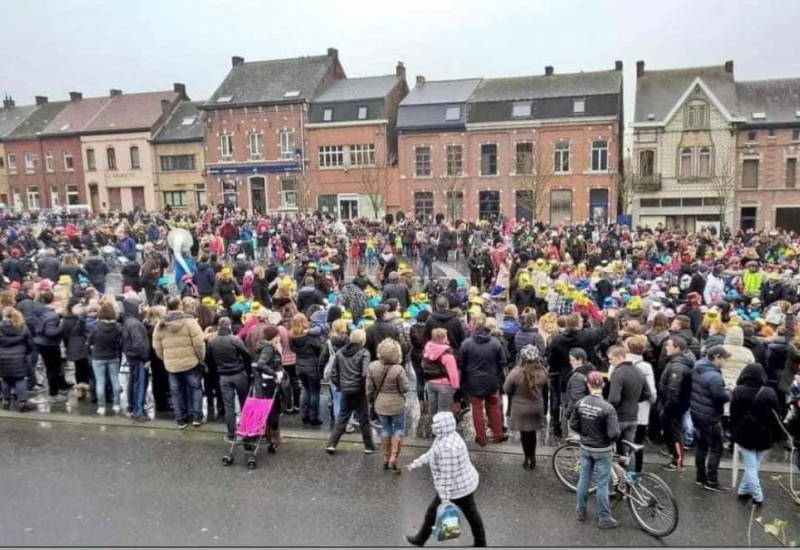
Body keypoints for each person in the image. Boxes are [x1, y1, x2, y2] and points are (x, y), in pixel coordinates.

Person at [405, 411, 486, 547]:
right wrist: (416, 463)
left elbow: (447, 477)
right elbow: (432, 453)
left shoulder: (447, 449)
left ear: (442, 427)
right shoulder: (447, 436)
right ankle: (480, 543)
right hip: (463, 484)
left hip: (457, 488)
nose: (431, 426)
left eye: (435, 425)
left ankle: (420, 540)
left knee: (433, 512)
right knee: (472, 514)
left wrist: (445, 501)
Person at [570, 371, 621, 530]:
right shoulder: (608, 408)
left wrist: (585, 434)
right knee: (602, 484)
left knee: (584, 478)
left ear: (588, 385)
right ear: (603, 385)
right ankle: (604, 518)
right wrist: (610, 437)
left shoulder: (581, 403)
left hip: (585, 447)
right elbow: (613, 434)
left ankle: (580, 511)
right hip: (603, 450)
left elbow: (573, 424)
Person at [153, 296, 206, 429]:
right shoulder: (190, 322)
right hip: (190, 361)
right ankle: (196, 417)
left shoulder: (160, 325)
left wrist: (165, 358)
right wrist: (200, 358)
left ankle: (181, 419)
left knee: (176, 392)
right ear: (180, 306)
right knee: (195, 388)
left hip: (171, 365)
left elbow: (157, 346)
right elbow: (199, 343)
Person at [730, 363, 779, 506]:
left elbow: (734, 415)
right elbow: (775, 416)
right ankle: (743, 491)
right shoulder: (769, 392)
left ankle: (757, 496)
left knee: (751, 465)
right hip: (765, 434)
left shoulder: (738, 391)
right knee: (755, 464)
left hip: (745, 433)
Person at [325, 329, 376, 455]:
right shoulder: (364, 353)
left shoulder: (340, 352)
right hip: (359, 390)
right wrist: (366, 388)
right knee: (364, 418)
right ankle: (369, 446)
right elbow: (365, 374)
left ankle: (331, 444)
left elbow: (333, 373)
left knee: (343, 417)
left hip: (345, 390)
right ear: (363, 340)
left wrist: (340, 386)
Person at [459, 314, 507, 446]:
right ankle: (498, 434)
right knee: (494, 407)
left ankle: (481, 437)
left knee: (477, 409)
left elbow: (461, 363)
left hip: (473, 382)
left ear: (473, 325)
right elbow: (502, 361)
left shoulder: (467, 343)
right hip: (491, 381)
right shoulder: (495, 342)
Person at [690, 345, 731, 492]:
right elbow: (720, 397)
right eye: (724, 358)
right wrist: (729, 392)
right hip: (710, 416)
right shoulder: (715, 376)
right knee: (716, 448)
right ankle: (712, 481)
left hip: (697, 413)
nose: (725, 361)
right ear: (716, 358)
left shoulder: (697, 367)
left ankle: (700, 477)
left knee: (701, 446)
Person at [207, 317, 252, 442]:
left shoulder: (212, 341)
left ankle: (231, 434)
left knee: (229, 406)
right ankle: (246, 430)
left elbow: (209, 359)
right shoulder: (235, 340)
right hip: (239, 373)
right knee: (244, 403)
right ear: (229, 326)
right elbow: (246, 355)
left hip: (224, 376)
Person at [503, 344, 548, 469]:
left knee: (524, 434)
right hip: (536, 407)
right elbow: (546, 391)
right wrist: (545, 410)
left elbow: (506, 389)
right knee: (532, 433)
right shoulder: (543, 372)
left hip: (520, 409)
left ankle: (527, 458)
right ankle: (533, 457)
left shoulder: (515, 373)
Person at [367, 338, 408, 471]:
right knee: (399, 428)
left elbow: (369, 388)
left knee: (385, 429)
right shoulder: (398, 369)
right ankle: (394, 457)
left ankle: (385, 457)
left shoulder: (372, 366)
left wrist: (370, 400)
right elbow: (404, 388)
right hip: (397, 403)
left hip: (380, 403)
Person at [606, 344, 651, 457]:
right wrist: (634, 400)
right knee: (627, 451)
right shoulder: (639, 371)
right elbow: (648, 393)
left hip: (619, 417)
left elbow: (614, 399)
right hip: (633, 417)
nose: (610, 362)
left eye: (612, 358)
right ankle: (627, 473)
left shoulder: (618, 373)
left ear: (620, 357)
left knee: (607, 448)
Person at [624, 335, 657, 473]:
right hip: (641, 413)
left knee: (621, 444)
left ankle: (620, 476)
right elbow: (652, 394)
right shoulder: (646, 367)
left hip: (623, 412)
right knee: (637, 444)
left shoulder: (619, 364)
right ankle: (636, 473)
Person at [289, 313, 324, 426]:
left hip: (299, 365)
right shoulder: (310, 336)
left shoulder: (292, 336)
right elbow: (320, 348)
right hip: (312, 365)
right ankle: (314, 417)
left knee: (306, 390)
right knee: (314, 392)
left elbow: (292, 349)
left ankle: (304, 415)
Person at [88, 303, 123, 416]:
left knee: (100, 382)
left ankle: (101, 407)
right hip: (113, 356)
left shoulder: (95, 327)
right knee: (115, 381)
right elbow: (120, 342)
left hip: (98, 357)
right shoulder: (118, 327)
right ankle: (116, 404)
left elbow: (90, 342)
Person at [254, 325, 285, 451]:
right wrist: (275, 374)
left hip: (267, 382)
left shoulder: (268, 346)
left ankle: (270, 435)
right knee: (274, 409)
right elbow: (261, 364)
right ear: (273, 336)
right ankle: (274, 436)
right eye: (277, 335)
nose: (279, 337)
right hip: (269, 383)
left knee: (272, 409)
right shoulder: (269, 348)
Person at [121, 296, 151, 421]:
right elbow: (139, 344)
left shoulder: (128, 321)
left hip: (132, 357)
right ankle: (138, 411)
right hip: (139, 359)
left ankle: (132, 407)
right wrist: (146, 358)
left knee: (133, 383)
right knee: (140, 384)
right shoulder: (135, 324)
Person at [0, 307, 33, 412]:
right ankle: (22, 404)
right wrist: (26, 352)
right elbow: (30, 344)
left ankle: (6, 402)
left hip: (2, 357)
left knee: (5, 379)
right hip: (19, 357)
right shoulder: (23, 327)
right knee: (20, 380)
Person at [423, 328, 460, 420]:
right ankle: (441, 432)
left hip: (430, 383)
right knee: (443, 411)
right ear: (443, 338)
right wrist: (455, 387)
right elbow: (453, 372)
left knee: (432, 408)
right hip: (444, 385)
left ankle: (433, 429)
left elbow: (423, 365)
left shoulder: (427, 350)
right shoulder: (446, 353)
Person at [563, 348, 595, 436]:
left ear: (579, 360)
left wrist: (568, 414)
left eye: (572, 360)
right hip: (588, 412)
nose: (570, 362)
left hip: (577, 415)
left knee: (575, 439)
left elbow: (576, 399)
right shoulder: (591, 370)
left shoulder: (577, 377)